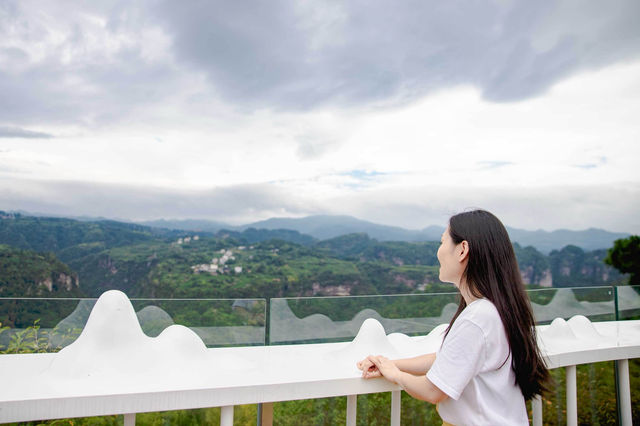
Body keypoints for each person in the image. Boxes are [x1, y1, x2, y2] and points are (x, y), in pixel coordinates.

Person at [357, 209, 549, 425]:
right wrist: (389, 363)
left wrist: (395, 374)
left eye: (442, 242)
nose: (438, 252)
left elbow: (433, 391)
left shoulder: (477, 318)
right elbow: (448, 359)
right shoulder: (495, 309)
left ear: (462, 250)